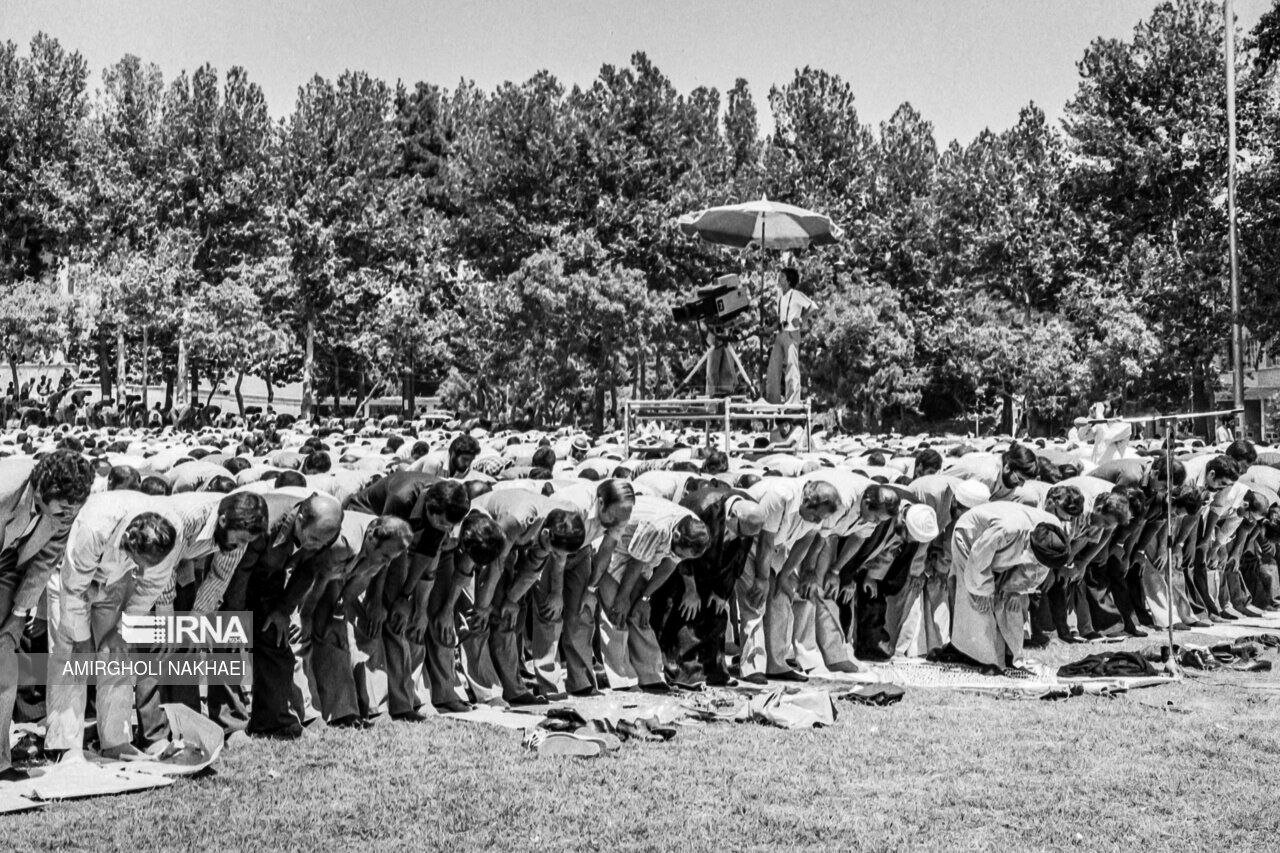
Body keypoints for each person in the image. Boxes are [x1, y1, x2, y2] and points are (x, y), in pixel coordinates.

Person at [45, 493, 183, 760]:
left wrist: (121, 630)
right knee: (71, 659)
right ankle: (65, 745)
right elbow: (73, 590)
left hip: (116, 582)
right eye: (140, 564)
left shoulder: (169, 534)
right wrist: (83, 640)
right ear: (129, 545)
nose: (143, 572)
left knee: (117, 656)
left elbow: (150, 587)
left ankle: (115, 741)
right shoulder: (95, 526)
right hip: (71, 580)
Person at [0, 450, 94, 781]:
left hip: (9, 567)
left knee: (5, 661)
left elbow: (44, 562)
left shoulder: (65, 511)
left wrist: (18, 612)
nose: (70, 512)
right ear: (43, 485)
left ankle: (1, 762)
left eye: (76, 505)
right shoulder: (5, 488)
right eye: (66, 502)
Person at [947, 502, 1069, 669]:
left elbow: (1035, 572)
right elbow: (978, 559)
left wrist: (1014, 590)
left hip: (1002, 551)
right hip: (972, 538)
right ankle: (983, 659)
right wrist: (984, 590)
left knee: (1011, 604)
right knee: (979, 604)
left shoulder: (1052, 533)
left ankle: (1010, 655)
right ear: (1032, 550)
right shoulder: (1007, 529)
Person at [765, 269, 816, 404]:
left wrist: (801, 319)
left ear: (788, 281)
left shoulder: (796, 295)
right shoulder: (781, 296)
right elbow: (780, 319)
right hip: (780, 334)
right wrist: (769, 329)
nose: (779, 278)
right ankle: (772, 401)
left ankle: (792, 402)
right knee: (773, 368)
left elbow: (814, 307)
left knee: (791, 368)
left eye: (782, 276)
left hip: (792, 334)